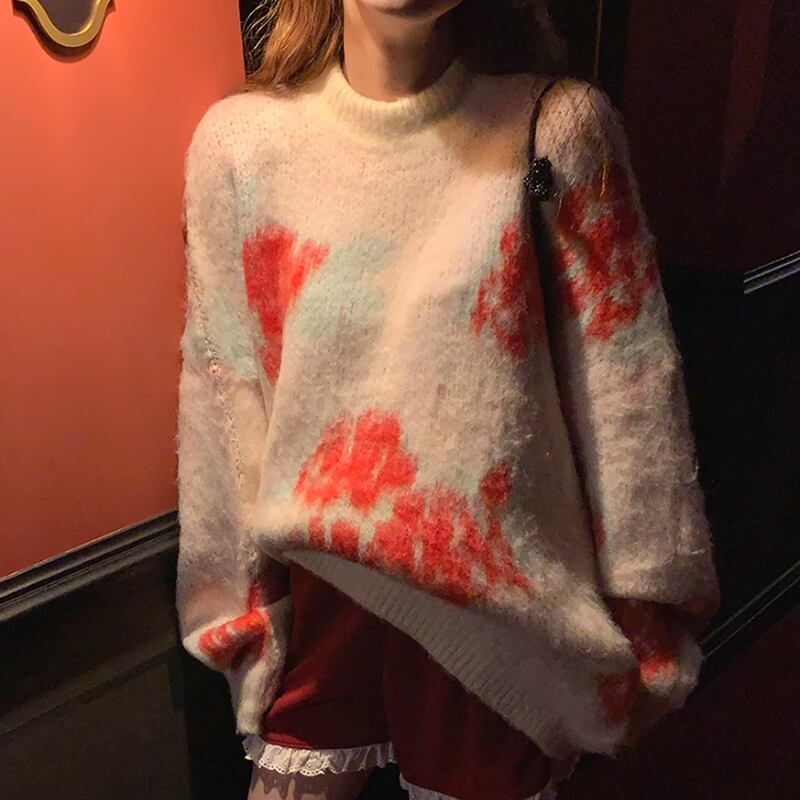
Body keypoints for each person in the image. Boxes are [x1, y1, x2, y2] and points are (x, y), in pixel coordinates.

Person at [175, 2, 722, 798]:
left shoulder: (554, 128)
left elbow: (628, 392)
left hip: (502, 609)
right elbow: (224, 390)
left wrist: (648, 620)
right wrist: (236, 616)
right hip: (321, 591)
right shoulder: (241, 147)